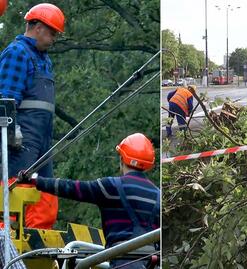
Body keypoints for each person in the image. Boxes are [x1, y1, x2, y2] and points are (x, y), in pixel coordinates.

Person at [18, 133, 160, 269]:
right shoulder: (158, 195)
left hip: (123, 261)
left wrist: (35, 180)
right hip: (151, 262)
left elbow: (72, 188)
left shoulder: (110, 187)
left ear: (122, 159)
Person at [0, 3, 65, 229]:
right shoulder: (17, 52)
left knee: (46, 190)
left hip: (43, 137)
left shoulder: (44, 59)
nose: (54, 38)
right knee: (16, 189)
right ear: (37, 27)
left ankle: (38, 241)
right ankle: (6, 241)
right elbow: (6, 97)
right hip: (22, 139)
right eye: (52, 32)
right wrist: (11, 131)